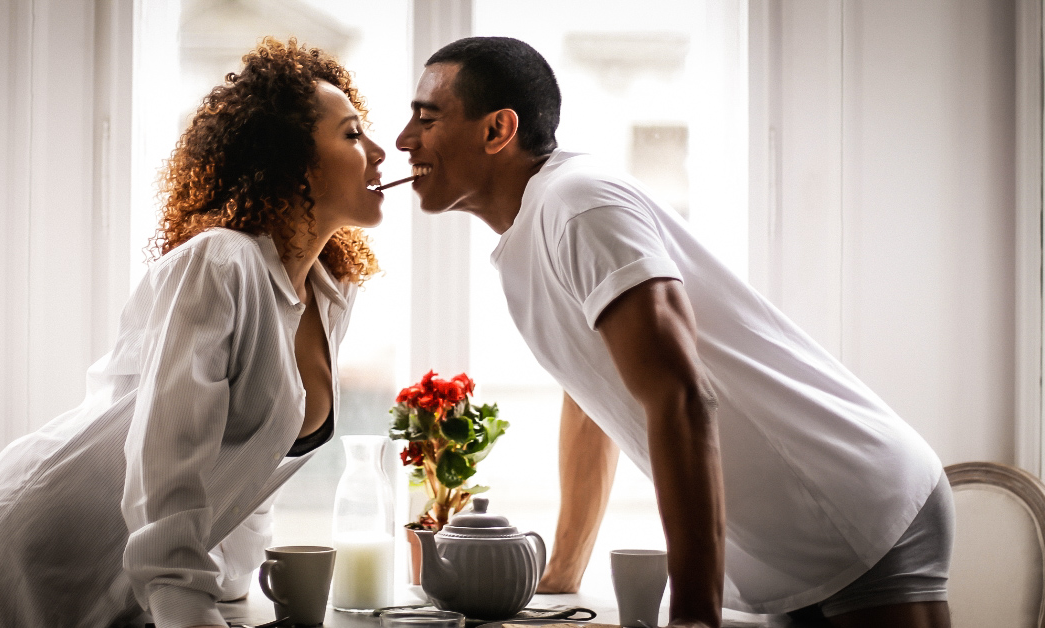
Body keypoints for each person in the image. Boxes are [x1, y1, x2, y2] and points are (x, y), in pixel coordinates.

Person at [395, 36, 952, 628]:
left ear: (496, 130)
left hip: (859, 510)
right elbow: (594, 402)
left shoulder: (578, 203)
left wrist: (693, 615)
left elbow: (679, 395)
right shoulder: (532, 234)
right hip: (792, 544)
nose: (405, 140)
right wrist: (561, 577)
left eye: (426, 119)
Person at [0, 37, 387, 628]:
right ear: (291, 163)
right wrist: (188, 606)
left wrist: (231, 597)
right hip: (30, 548)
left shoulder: (330, 295)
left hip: (126, 571)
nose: (378, 150)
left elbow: (248, 473)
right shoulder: (221, 263)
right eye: (351, 134)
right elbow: (164, 465)